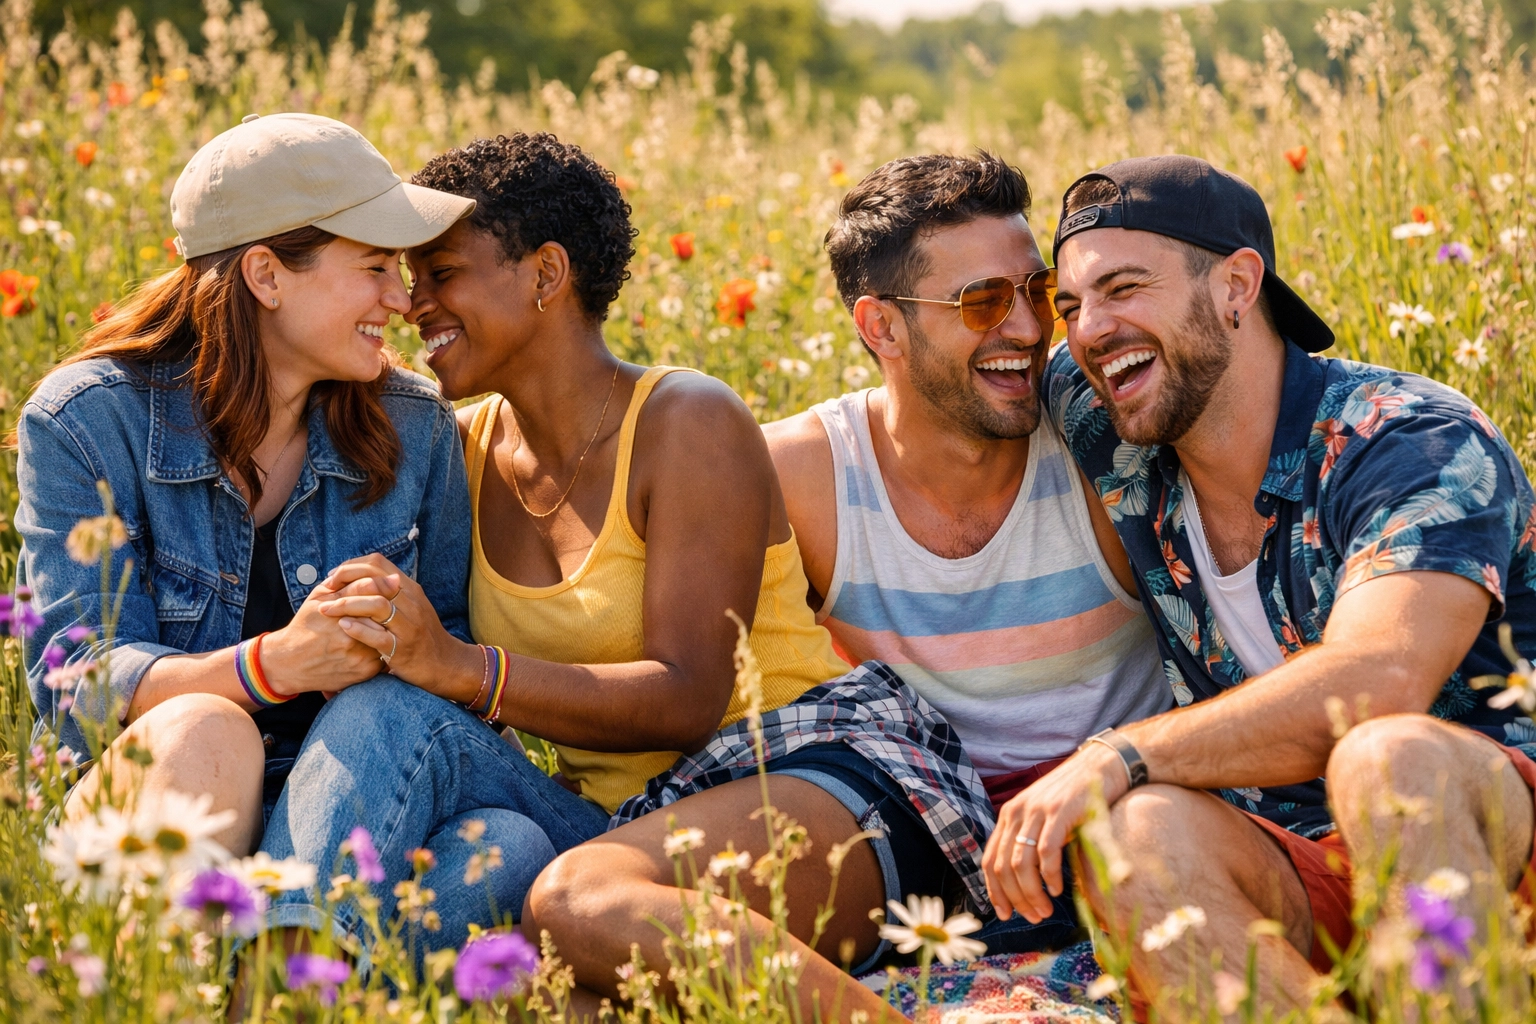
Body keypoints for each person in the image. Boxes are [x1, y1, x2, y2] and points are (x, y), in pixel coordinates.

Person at [269, 132, 992, 1019]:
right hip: (622, 833)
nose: (413, 302)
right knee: (489, 884)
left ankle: (268, 997)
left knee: (572, 903)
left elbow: (690, 695)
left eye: (442, 272)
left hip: (811, 776)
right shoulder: (455, 449)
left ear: (545, 275)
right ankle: (282, 991)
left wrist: (463, 669)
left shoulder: (687, 420)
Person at [983, 154, 1536, 1015]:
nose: (1088, 330)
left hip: (1487, 846)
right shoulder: (1111, 417)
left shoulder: (1410, 442)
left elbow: (1378, 684)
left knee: (1387, 757)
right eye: (1070, 306)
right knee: (1136, 835)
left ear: (1239, 285)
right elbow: (926, 398)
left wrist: (1123, 753)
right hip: (1310, 868)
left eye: (1124, 287)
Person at [15, 114, 474, 866]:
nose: (402, 299)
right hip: (155, 798)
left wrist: (403, 648)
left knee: (507, 843)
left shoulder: (414, 423)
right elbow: (77, 686)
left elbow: (453, 651)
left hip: (342, 802)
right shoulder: (88, 423)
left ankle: (264, 965)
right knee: (208, 727)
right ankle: (207, 970)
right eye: (374, 268)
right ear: (266, 276)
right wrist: (275, 666)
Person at [764, 152, 1172, 950]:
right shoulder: (804, 474)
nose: (1026, 328)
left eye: (1036, 290)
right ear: (881, 326)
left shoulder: (1104, 437)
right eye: (982, 301)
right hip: (924, 849)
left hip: (1129, 825)